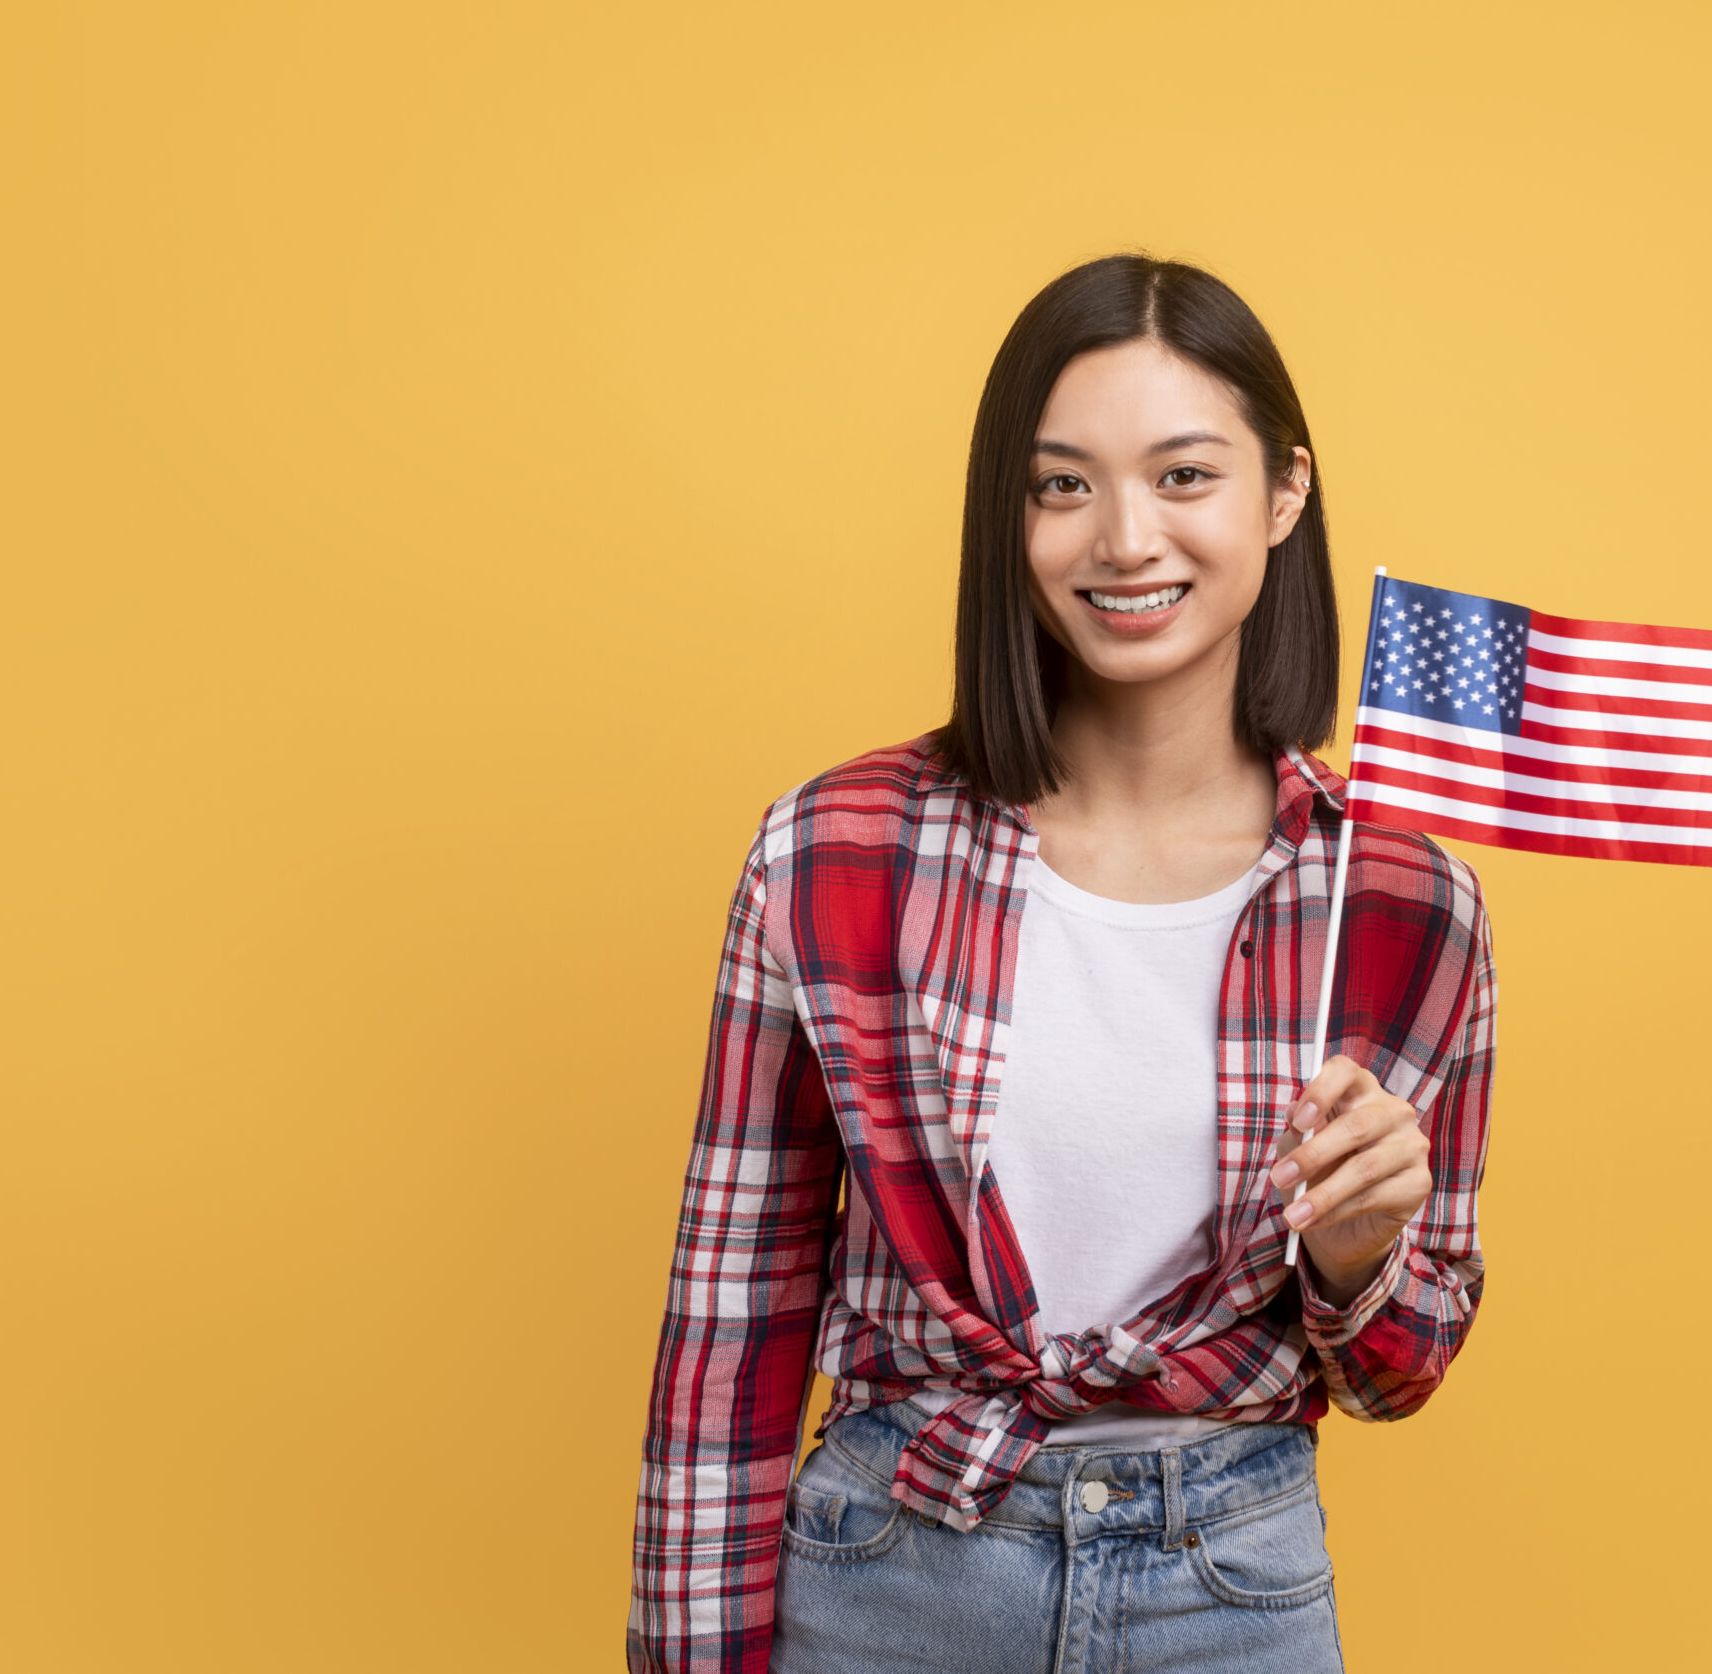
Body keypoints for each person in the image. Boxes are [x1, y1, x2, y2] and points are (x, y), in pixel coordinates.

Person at [627, 255, 1497, 1674]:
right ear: (1009, 518)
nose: (1125, 539)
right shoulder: (837, 852)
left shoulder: (1403, 906)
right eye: (1062, 485)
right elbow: (736, 1310)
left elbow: (1398, 1375)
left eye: (1184, 476)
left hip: (1230, 1587)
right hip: (892, 1572)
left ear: (1283, 494)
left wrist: (1355, 1254)